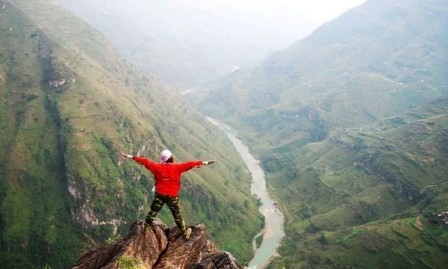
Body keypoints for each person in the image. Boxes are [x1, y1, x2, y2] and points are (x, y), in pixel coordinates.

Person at [121, 149, 215, 240]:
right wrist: (204, 162)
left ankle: (145, 229)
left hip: (160, 194)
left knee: (153, 212)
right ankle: (185, 234)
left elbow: (144, 161)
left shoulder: (156, 167)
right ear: (171, 158)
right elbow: (191, 164)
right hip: (172, 196)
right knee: (177, 215)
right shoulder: (178, 168)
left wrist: (130, 156)